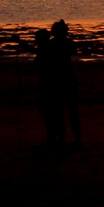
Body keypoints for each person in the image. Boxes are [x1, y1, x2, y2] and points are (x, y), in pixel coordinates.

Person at [37, 19, 82, 148]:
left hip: (57, 81)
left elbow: (39, 53)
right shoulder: (70, 44)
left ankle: (62, 139)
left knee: (60, 112)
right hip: (68, 79)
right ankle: (75, 139)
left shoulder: (51, 45)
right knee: (71, 111)